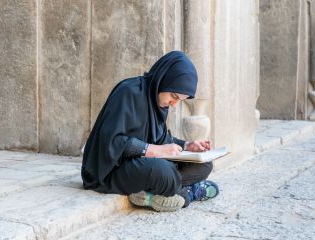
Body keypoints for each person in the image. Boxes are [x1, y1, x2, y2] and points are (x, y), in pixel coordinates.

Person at [81, 51, 219, 212]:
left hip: (141, 165)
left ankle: (159, 192)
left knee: (204, 165)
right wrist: (152, 150)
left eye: (179, 100)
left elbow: (160, 139)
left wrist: (187, 145)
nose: (174, 104)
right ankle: (189, 194)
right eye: (174, 96)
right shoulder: (128, 92)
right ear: (163, 80)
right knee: (163, 172)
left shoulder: (159, 103)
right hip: (110, 171)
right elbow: (111, 142)